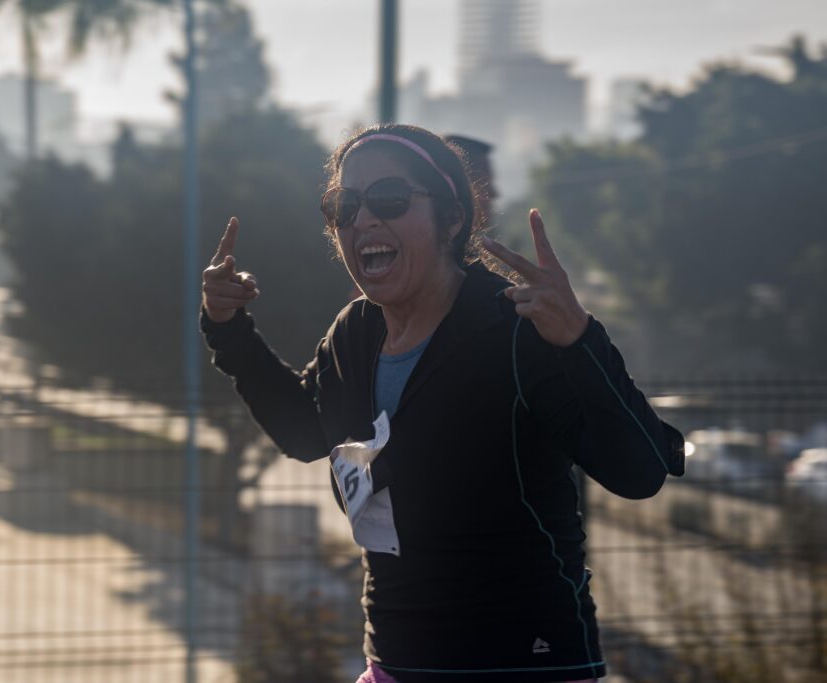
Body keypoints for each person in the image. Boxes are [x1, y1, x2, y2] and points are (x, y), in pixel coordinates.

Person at [200, 123, 685, 683]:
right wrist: (227, 327)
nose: (362, 219)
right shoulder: (355, 333)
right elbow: (305, 432)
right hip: (396, 660)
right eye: (344, 205)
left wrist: (581, 340)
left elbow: (641, 470)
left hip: (524, 664)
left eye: (389, 199)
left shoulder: (516, 329)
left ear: (453, 219)